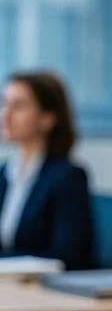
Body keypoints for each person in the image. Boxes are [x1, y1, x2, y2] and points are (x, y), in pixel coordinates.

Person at [0, 70, 94, 270]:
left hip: (47, 291)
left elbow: (66, 257)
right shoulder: (6, 172)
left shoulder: (68, 177)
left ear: (47, 119)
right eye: (4, 104)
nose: (5, 115)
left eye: (18, 106)